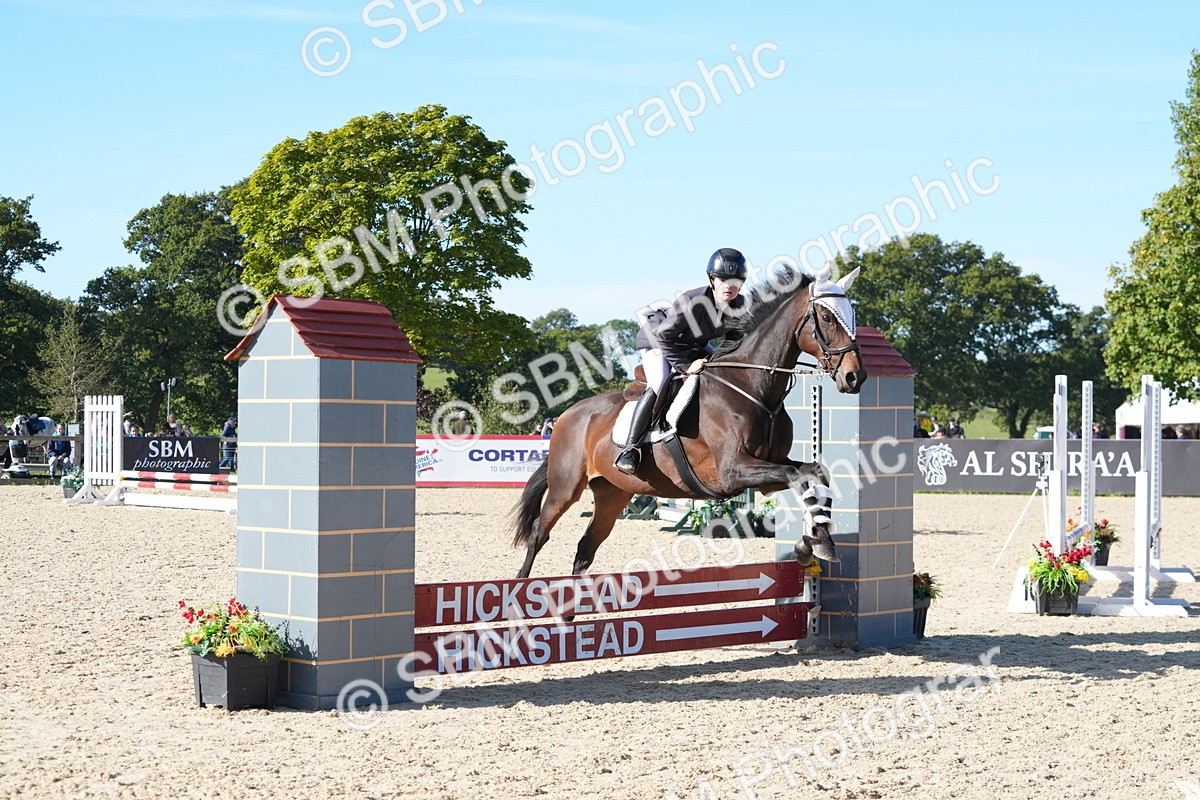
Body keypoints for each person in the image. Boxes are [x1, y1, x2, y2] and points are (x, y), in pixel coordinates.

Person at [615, 247, 748, 475]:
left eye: (736, 280)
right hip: (658, 341)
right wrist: (686, 367)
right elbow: (664, 337)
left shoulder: (740, 305)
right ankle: (631, 448)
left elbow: (734, 339)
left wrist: (715, 359)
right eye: (723, 280)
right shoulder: (692, 300)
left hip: (692, 343)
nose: (730, 286)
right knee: (659, 382)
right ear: (712, 279)